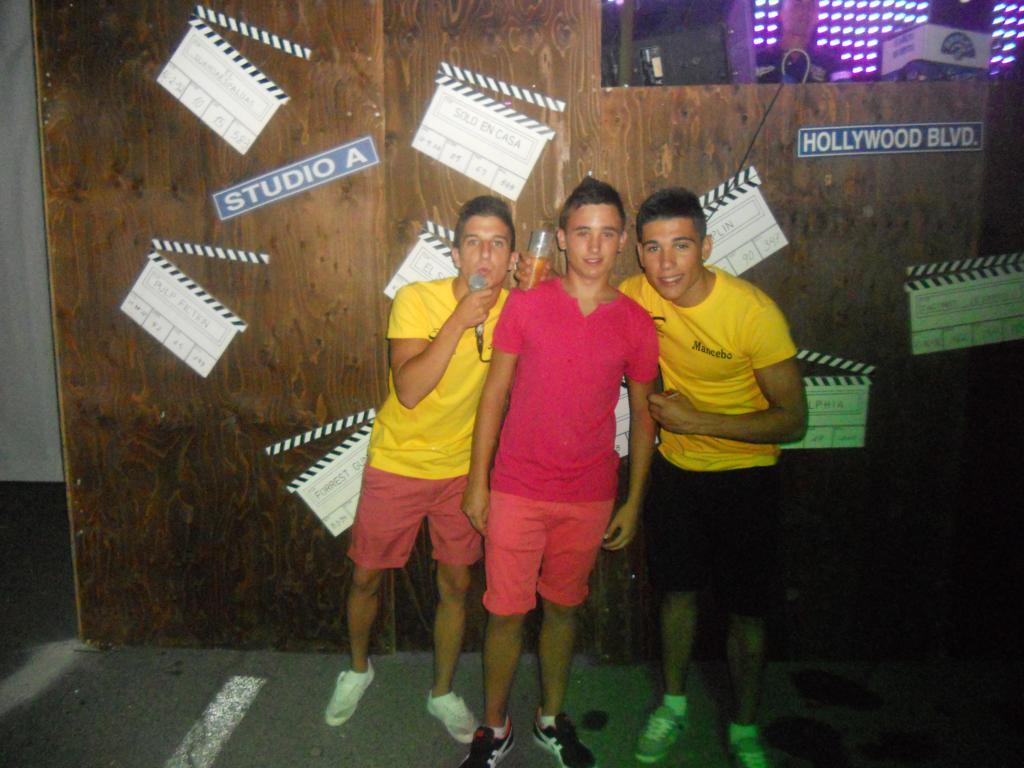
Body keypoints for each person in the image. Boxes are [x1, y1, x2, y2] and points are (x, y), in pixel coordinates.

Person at [458, 178, 660, 768]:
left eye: (607, 233)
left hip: (589, 494)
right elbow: (493, 395)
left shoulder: (636, 321)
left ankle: (550, 717)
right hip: (516, 488)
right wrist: (477, 481)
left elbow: (644, 416)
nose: (594, 246)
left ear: (622, 241)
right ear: (563, 239)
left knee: (564, 608)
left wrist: (633, 500)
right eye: (582, 232)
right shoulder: (526, 304)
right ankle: (495, 727)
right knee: (504, 612)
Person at [620, 188, 807, 767]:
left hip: (746, 477)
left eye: (681, 246)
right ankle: (673, 705)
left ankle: (746, 727)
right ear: (639, 253)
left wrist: (698, 420)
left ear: (706, 247)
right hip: (677, 472)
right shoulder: (636, 293)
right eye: (653, 248)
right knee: (676, 594)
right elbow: (579, 300)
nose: (666, 263)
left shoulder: (752, 313)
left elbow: (794, 420)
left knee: (747, 611)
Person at [323, 196, 516, 745]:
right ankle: (357, 669)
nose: (485, 255)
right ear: (455, 253)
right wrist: (459, 319)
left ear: (512, 256)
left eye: (497, 244)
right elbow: (408, 390)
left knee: (456, 584)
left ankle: (442, 691)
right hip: (399, 462)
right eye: (474, 242)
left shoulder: (517, 309)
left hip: (463, 470)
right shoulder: (416, 298)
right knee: (366, 575)